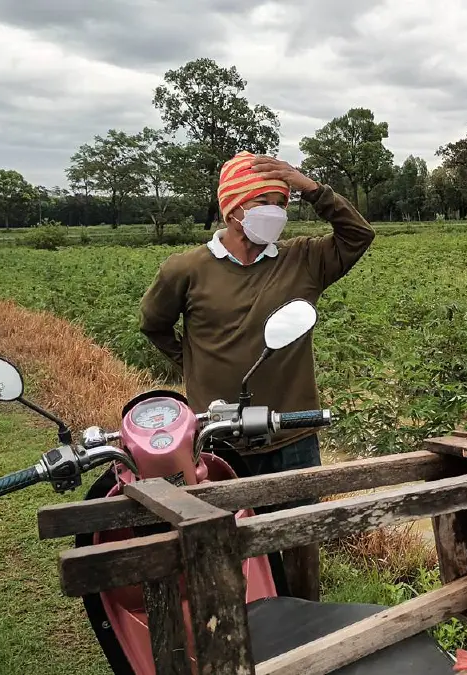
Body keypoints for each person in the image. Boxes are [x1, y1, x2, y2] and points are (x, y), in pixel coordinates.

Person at [139, 152, 375, 601]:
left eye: (284, 204)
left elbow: (358, 234)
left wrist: (312, 188)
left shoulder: (302, 260)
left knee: (300, 543)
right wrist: (193, 365)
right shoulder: (185, 270)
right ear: (234, 210)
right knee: (225, 549)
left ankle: (303, 627)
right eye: (267, 202)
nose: (278, 214)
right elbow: (154, 324)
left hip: (293, 436)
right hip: (219, 439)